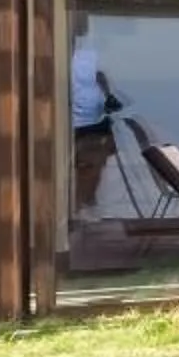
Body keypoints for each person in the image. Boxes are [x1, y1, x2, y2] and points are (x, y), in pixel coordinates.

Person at [70, 18, 120, 215]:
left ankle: (88, 198)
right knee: (89, 162)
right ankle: (83, 199)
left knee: (98, 160)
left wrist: (109, 96)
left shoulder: (87, 55)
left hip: (95, 118)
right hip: (79, 122)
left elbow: (101, 75)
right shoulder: (70, 55)